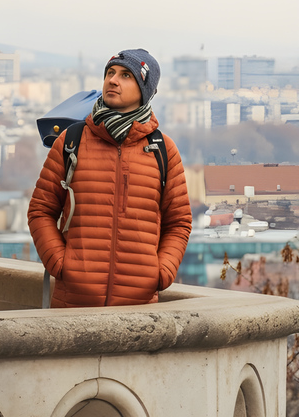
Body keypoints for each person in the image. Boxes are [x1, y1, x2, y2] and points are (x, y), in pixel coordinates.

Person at [28, 49, 192, 307]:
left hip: (139, 308)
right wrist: (61, 264)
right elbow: (40, 210)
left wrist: (161, 273)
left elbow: (179, 222)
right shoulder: (72, 141)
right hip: (73, 304)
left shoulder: (162, 149)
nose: (113, 80)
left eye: (126, 75)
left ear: (145, 90)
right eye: (110, 73)